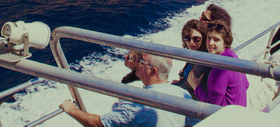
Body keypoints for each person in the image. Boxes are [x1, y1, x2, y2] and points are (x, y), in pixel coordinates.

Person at [60, 53, 192, 127]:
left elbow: (99, 125)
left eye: (141, 61)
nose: (137, 62)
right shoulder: (182, 94)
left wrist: (71, 109)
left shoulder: (137, 105)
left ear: (153, 71)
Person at [193, 22, 248, 107]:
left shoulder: (220, 67)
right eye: (209, 38)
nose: (210, 43)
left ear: (225, 42)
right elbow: (246, 85)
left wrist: (195, 86)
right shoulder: (232, 55)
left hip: (227, 117)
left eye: (216, 39)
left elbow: (211, 105)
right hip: (240, 111)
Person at [171, 20, 209, 97]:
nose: (191, 42)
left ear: (203, 38)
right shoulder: (195, 53)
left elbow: (188, 87)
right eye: (187, 38)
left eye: (196, 39)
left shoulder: (202, 60)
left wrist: (171, 88)